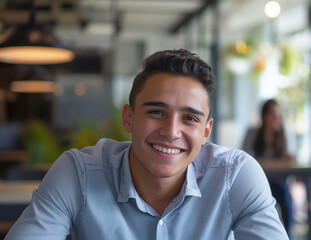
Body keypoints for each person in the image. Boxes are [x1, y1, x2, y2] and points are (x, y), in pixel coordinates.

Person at [5, 49, 288, 240]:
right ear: (129, 118)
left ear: (206, 132)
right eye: (156, 112)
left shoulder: (235, 175)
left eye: (189, 118)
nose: (171, 131)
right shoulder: (78, 173)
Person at [242, 99, 296, 235]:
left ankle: (288, 235)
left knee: (285, 196)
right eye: (273, 115)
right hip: (257, 181)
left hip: (278, 182)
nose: (277, 119)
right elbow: (244, 156)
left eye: (279, 116)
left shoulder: (286, 134)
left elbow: (291, 158)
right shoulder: (253, 133)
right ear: (264, 116)